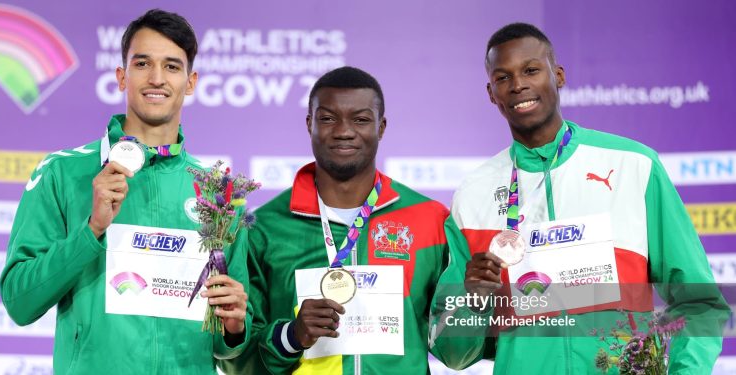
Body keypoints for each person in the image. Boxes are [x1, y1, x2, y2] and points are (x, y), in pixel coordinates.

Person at [449, 22, 729, 373]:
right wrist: (474, 300)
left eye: (531, 70)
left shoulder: (633, 165)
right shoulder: (473, 194)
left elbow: (699, 301)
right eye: (503, 78)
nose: (518, 84)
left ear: (559, 75)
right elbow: (454, 355)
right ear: (492, 93)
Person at [0, 9, 249, 374]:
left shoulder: (219, 191)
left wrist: (234, 327)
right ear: (121, 76)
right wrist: (91, 231)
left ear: (191, 82)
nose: (157, 78)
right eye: (143, 63)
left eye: (172, 67)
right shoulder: (63, 172)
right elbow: (20, 303)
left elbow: (226, 345)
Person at [224, 66, 476, 374]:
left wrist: (477, 300)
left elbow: (455, 353)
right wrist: (291, 336)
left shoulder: (430, 220)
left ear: (381, 127)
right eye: (328, 118)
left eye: (361, 119)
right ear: (309, 124)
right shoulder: (263, 228)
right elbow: (238, 360)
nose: (344, 130)